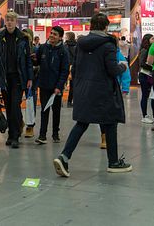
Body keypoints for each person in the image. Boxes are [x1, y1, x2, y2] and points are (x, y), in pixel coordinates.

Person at [53, 13, 132, 178]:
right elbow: (111, 70)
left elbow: (74, 69)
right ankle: (113, 162)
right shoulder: (108, 45)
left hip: (83, 90)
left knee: (81, 123)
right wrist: (123, 67)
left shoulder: (81, 44)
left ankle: (64, 156)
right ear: (105, 27)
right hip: (104, 91)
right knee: (110, 123)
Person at [0, 11, 33, 149]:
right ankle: (11, 134)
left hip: (18, 77)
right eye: (7, 20)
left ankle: (15, 135)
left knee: (15, 106)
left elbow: (28, 60)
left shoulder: (23, 38)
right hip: (4, 78)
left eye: (12, 20)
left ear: (16, 22)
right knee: (8, 106)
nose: (9, 22)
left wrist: (30, 77)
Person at [34, 26, 70, 144]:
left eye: (55, 34)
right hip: (44, 85)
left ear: (60, 37)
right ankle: (42, 135)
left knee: (56, 111)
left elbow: (64, 71)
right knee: (44, 110)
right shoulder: (43, 48)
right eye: (51, 33)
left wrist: (59, 87)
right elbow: (37, 61)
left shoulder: (63, 52)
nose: (52, 36)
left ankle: (55, 133)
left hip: (56, 88)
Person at [138, 34, 154, 123]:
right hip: (145, 75)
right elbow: (142, 63)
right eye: (152, 38)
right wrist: (152, 66)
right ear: (147, 40)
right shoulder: (145, 50)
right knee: (145, 95)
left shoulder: (152, 49)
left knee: (153, 96)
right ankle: (144, 115)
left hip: (151, 76)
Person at [65, 32, 77, 107]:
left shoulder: (65, 46)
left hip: (67, 66)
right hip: (74, 67)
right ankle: (71, 101)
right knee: (73, 85)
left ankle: (69, 101)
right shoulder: (77, 45)